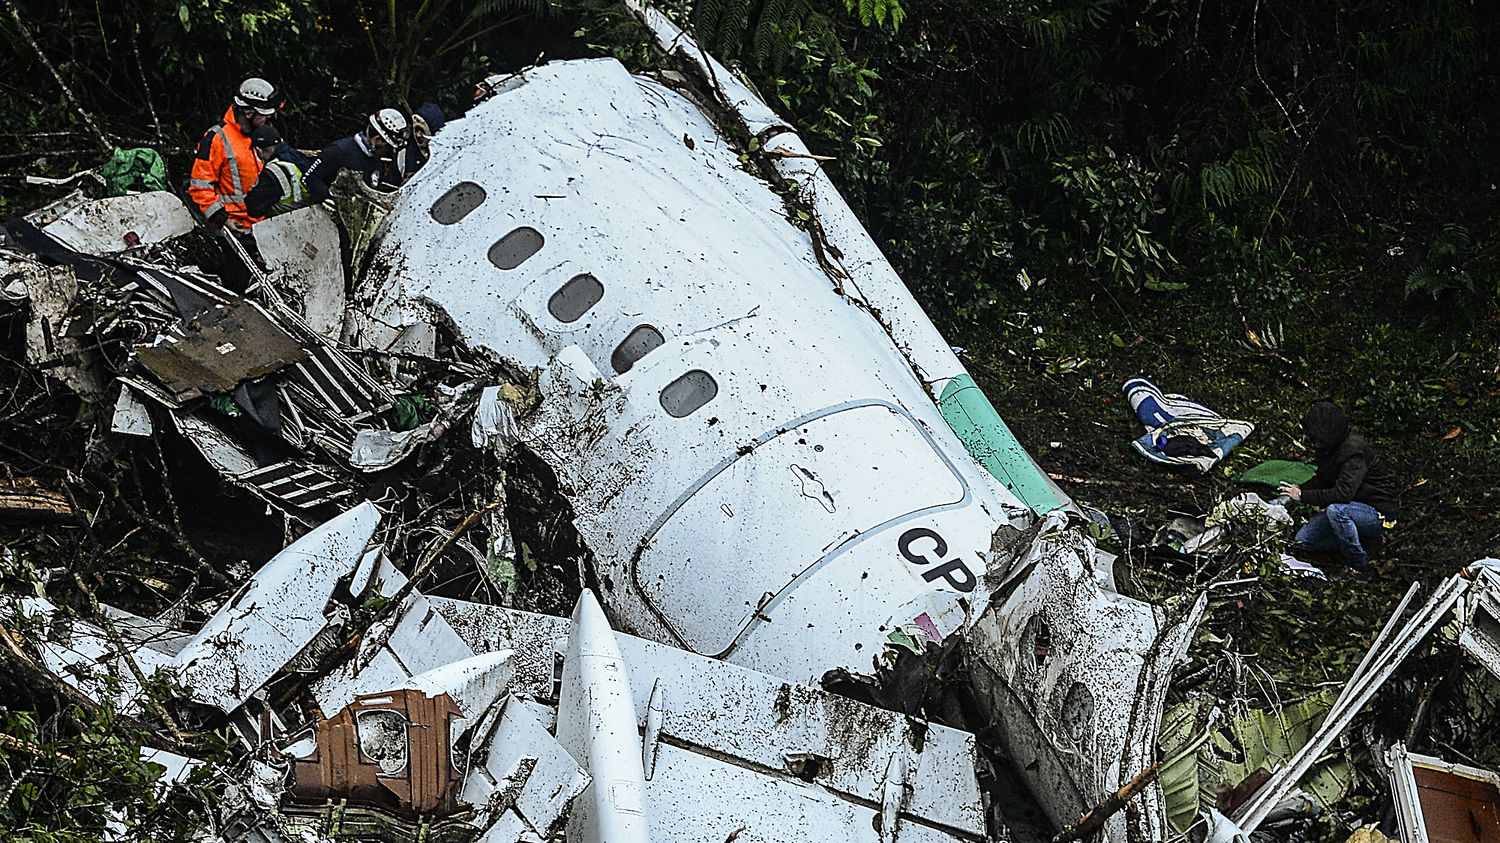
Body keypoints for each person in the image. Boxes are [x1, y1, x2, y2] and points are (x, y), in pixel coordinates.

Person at [1279, 401, 1399, 574]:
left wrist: (1304, 496)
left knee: (1336, 511)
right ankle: (1364, 542)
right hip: (1351, 509)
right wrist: (1297, 490)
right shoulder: (1328, 448)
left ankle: (1359, 563)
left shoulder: (1353, 453)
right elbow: (1323, 479)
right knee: (1303, 541)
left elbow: (1342, 494)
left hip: (1376, 513)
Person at [189, 78, 283, 233]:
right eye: (264, 115)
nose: (268, 119)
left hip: (266, 224)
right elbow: (200, 187)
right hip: (235, 227)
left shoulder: (267, 133)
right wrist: (222, 219)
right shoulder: (217, 138)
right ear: (248, 112)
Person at [304, 108, 409, 194]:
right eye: (389, 148)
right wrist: (330, 198)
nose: (389, 152)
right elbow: (310, 178)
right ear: (377, 140)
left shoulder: (378, 164)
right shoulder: (339, 151)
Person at [244, 126, 330, 218]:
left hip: (286, 224)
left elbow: (253, 207)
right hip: (317, 217)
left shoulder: (273, 171)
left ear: (259, 150)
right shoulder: (300, 156)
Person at [394, 103, 445, 183]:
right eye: (416, 130)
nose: (418, 135)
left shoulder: (446, 156)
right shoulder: (403, 156)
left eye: (422, 130)